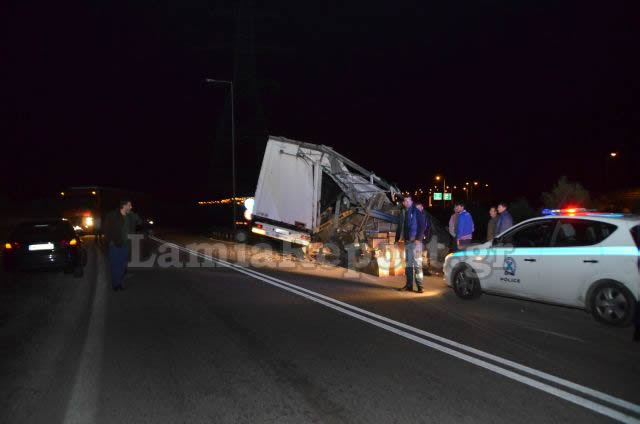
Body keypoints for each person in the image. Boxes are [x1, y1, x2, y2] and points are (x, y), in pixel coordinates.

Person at [104, 199, 140, 291]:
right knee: (115, 265)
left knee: (123, 266)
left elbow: (140, 222)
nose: (131, 207)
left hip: (126, 245)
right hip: (115, 244)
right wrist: (110, 241)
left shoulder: (130, 216)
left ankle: (118, 282)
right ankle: (116, 284)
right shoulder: (112, 215)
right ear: (124, 206)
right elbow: (106, 229)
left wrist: (133, 215)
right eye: (130, 205)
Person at [395, 196, 423, 293]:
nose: (406, 202)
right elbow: (400, 226)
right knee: (408, 265)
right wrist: (396, 239)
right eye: (404, 201)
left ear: (412, 202)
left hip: (415, 242)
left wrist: (418, 239)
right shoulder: (403, 212)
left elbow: (422, 225)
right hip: (407, 241)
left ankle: (420, 286)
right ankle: (409, 285)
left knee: (417, 264)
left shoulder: (416, 211)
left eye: (408, 201)